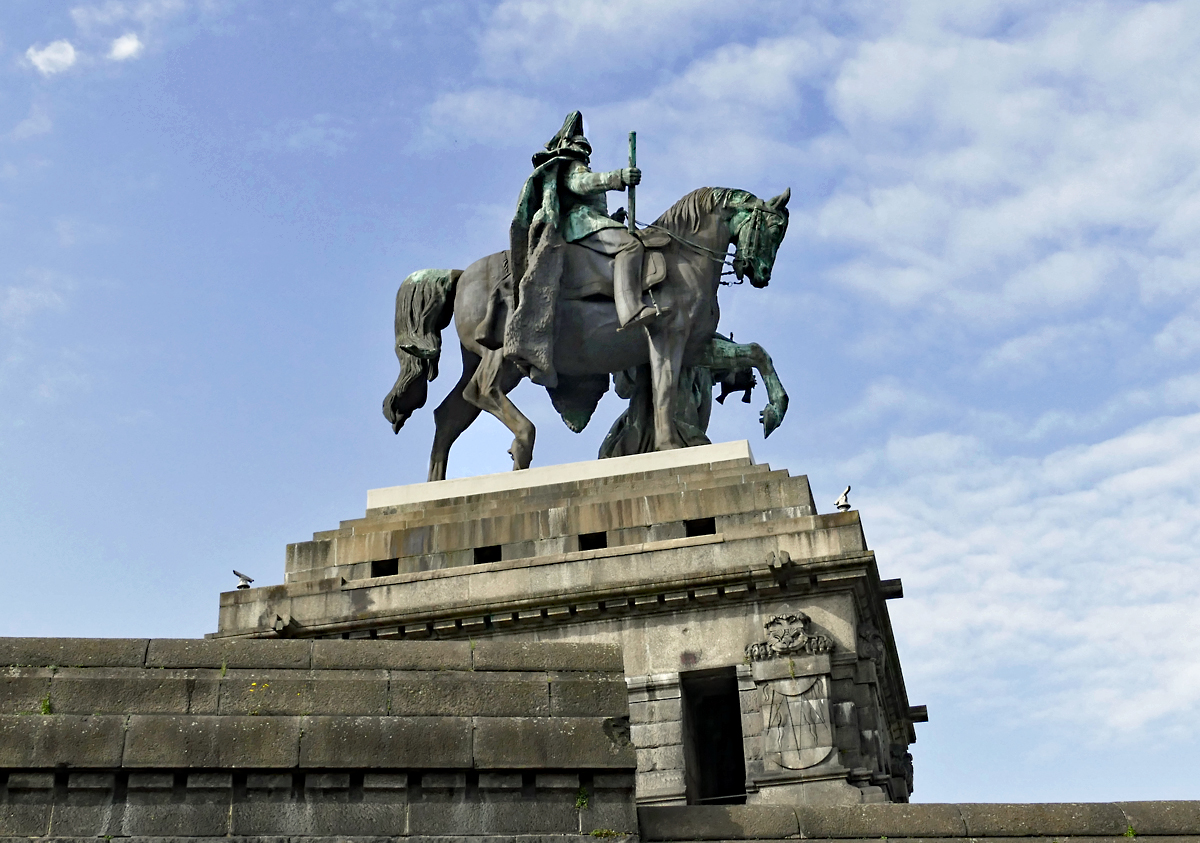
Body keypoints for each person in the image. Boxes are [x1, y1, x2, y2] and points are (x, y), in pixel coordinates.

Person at [504, 112, 666, 386]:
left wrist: (612, 218)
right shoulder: (572, 166)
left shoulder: (576, 164)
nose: (585, 149)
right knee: (631, 246)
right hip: (579, 225)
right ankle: (630, 309)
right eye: (581, 144)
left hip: (590, 222)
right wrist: (619, 177)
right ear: (571, 146)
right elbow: (581, 184)